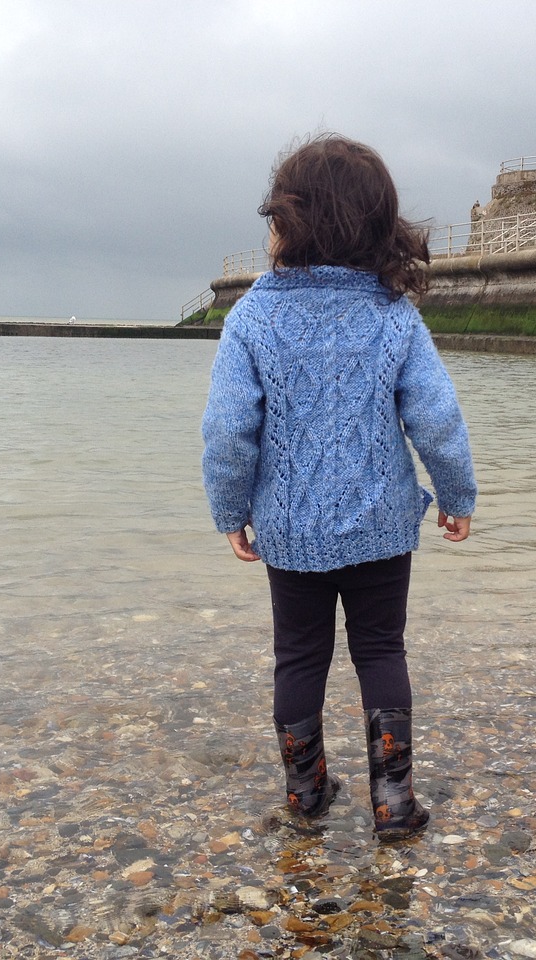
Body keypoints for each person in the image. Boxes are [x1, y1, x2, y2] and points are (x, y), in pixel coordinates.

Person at [201, 134, 477, 840]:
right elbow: (436, 418)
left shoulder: (252, 318)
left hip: (289, 530)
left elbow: (230, 429)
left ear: (291, 227)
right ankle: (393, 804)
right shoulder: (393, 316)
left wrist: (230, 509)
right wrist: (456, 495)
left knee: (299, 655)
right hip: (382, 523)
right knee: (381, 651)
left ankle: (307, 793)